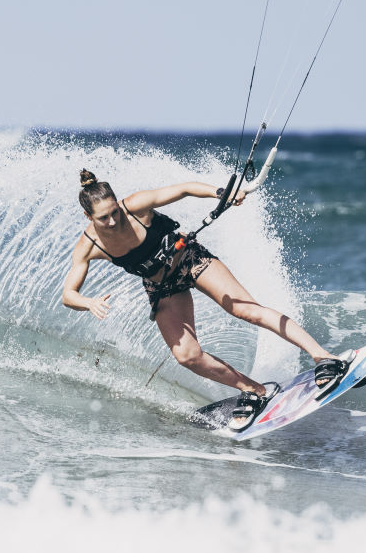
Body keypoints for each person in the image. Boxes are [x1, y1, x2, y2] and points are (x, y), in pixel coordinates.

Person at [61, 169, 347, 430]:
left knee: (246, 310)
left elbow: (183, 188)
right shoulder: (90, 246)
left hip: (190, 259)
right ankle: (254, 390)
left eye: (114, 212)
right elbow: (68, 295)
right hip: (161, 286)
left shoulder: (135, 207)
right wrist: (88, 302)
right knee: (187, 356)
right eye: (103, 218)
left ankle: (323, 356)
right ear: (89, 218)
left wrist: (222, 193)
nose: (113, 220)